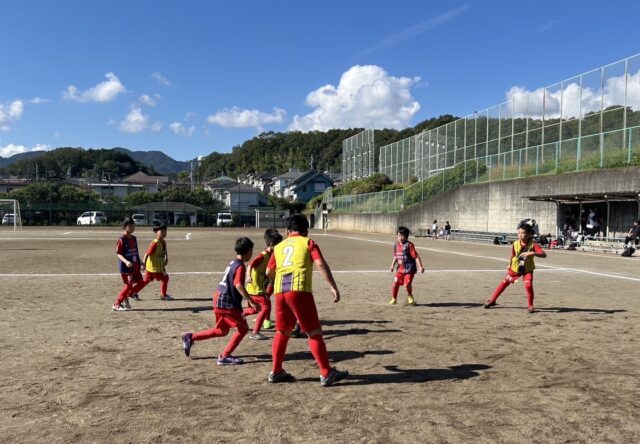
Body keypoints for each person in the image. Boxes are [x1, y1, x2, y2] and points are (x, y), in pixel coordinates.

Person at [265, 214, 349, 387]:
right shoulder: (308, 242)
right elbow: (321, 264)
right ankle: (326, 373)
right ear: (305, 230)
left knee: (282, 332)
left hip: (280, 291)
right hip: (299, 290)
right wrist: (333, 286)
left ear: (287, 231)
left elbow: (268, 272)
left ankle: (276, 371)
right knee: (314, 332)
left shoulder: (279, 246)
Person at [181, 238, 259, 365]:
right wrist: (251, 300)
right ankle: (224, 357)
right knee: (243, 329)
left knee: (222, 331)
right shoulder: (240, 266)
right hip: (227, 302)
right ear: (248, 251)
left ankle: (191, 337)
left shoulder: (232, 263)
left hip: (218, 298)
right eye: (251, 251)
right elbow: (238, 284)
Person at [484, 220, 547, 313]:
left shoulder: (533, 245)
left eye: (523, 233)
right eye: (519, 233)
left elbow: (543, 254)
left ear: (529, 234)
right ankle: (492, 300)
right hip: (515, 268)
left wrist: (532, 253)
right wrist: (509, 264)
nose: (520, 235)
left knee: (528, 285)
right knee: (504, 283)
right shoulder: (515, 244)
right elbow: (513, 255)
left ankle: (530, 305)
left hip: (527, 269)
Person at [243, 228, 283, 340]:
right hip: (255, 287)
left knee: (255, 309)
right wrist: (248, 276)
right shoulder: (263, 255)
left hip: (258, 287)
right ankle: (255, 332)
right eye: (278, 245)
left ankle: (237, 315)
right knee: (264, 308)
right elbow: (250, 265)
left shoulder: (271, 255)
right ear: (271, 244)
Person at [112, 217, 148, 311]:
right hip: (126, 267)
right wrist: (126, 261)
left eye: (133, 226)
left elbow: (136, 252)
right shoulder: (122, 239)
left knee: (140, 282)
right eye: (130, 226)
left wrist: (141, 263)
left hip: (135, 266)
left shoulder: (134, 238)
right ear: (124, 227)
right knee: (128, 285)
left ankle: (126, 296)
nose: (132, 228)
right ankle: (116, 304)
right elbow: (119, 254)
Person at [389, 226, 425, 306]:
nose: (400, 238)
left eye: (402, 236)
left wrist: (420, 266)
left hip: (409, 270)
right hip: (399, 270)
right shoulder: (396, 245)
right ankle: (394, 298)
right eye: (399, 235)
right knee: (395, 283)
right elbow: (395, 256)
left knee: (407, 284)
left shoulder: (409, 245)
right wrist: (392, 265)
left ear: (406, 236)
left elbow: (416, 256)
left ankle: (410, 296)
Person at [141, 223, 173, 301]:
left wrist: (166, 258)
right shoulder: (155, 242)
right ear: (156, 232)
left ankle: (132, 292)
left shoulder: (163, 242)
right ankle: (163, 295)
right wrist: (143, 264)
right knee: (165, 278)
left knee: (146, 280)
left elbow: (164, 252)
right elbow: (147, 254)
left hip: (154, 266)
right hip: (155, 267)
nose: (164, 233)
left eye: (165, 231)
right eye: (162, 231)